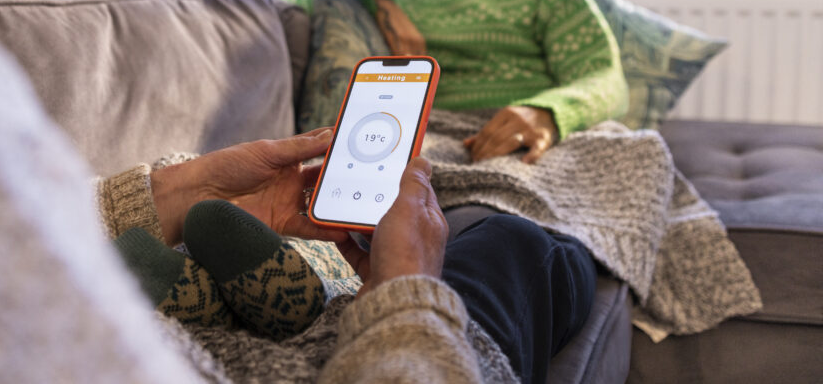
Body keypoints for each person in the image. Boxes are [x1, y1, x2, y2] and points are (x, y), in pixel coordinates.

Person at [107, 127, 595, 383]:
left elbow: (601, 78)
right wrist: (407, 290)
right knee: (521, 243)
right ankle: (311, 323)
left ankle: (223, 332)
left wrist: (547, 110)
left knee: (136, 268)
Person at [274, 0, 628, 164]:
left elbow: (606, 78)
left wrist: (548, 113)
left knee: (640, 152)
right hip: (441, 136)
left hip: (535, 139)